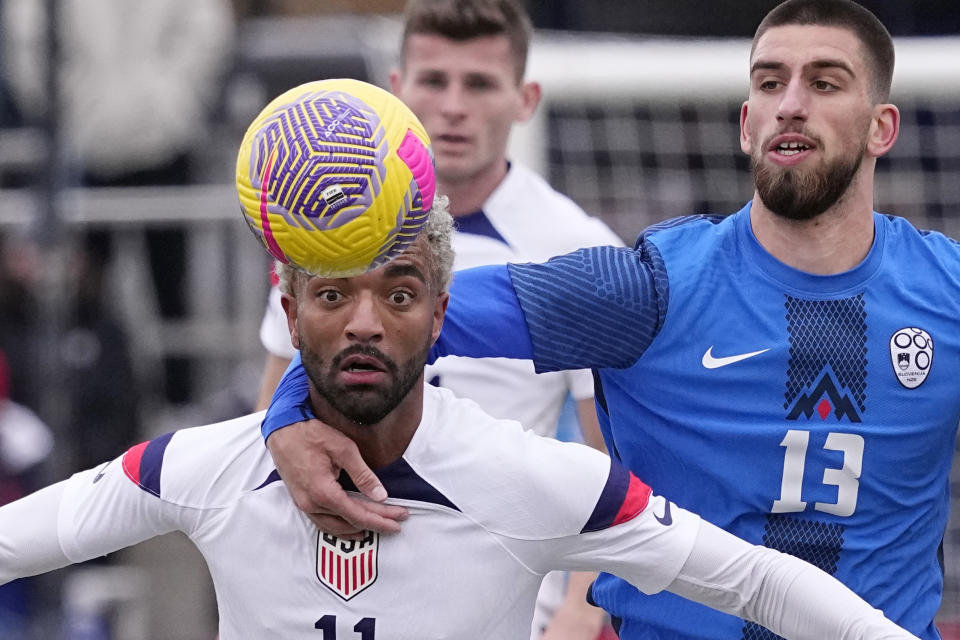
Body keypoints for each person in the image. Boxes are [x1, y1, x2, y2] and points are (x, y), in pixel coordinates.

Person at [259, 1, 960, 638]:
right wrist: (286, 418)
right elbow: (382, 315)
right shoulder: (646, 289)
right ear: (747, 124)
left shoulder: (947, 293)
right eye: (771, 83)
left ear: (882, 128)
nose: (792, 105)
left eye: (826, 83)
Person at [0, 196, 925, 640]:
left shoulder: (534, 482)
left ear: (442, 317)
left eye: (398, 294)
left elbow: (757, 581)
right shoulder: (202, 470)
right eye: (332, 294)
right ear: (287, 310)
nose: (365, 321)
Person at [253, 1, 622, 635]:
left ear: (525, 99)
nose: (453, 106)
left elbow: (615, 457)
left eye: (479, 84)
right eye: (433, 81)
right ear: (396, 89)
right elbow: (270, 421)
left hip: (498, 608)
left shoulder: (577, 251)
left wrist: (579, 611)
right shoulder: (329, 220)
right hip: (332, 599)